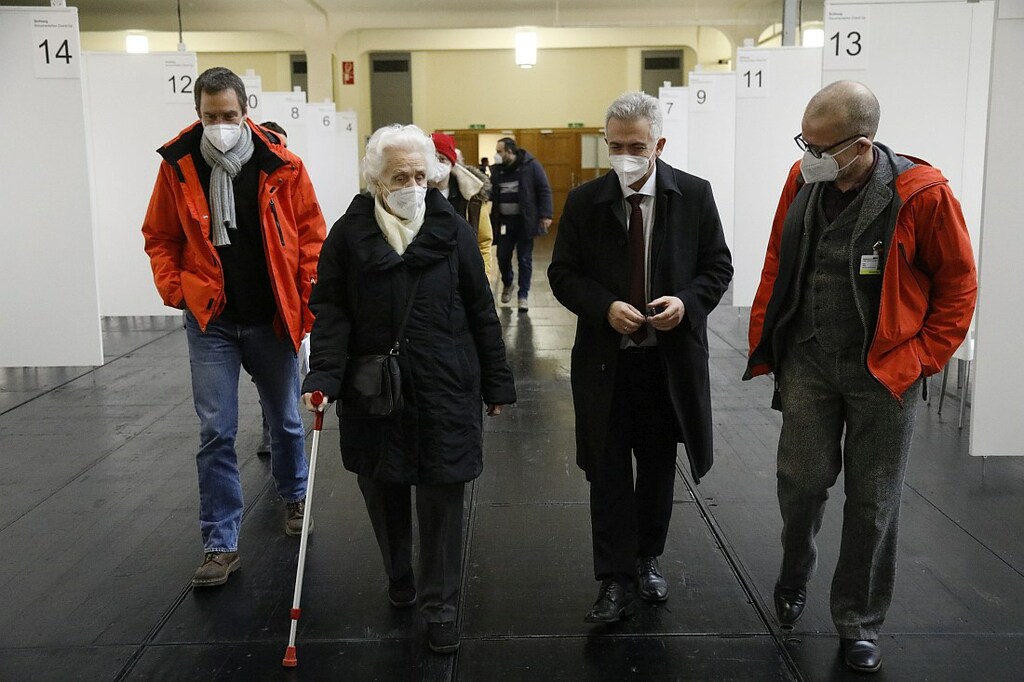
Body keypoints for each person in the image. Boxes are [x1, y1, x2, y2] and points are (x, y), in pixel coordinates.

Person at [744, 81, 977, 673]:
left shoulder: (922, 194)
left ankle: (859, 620)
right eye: (805, 143)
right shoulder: (803, 181)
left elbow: (958, 285)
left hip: (886, 371)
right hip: (809, 358)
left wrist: (922, 358)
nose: (809, 156)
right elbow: (778, 259)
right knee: (800, 480)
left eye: (821, 147)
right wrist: (767, 339)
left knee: (873, 500)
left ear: (861, 145)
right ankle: (795, 568)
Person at [300, 124, 516, 654]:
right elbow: (331, 312)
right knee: (382, 486)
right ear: (376, 180)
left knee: (443, 495)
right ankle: (400, 575)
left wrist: (496, 380)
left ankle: (440, 607)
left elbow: (480, 310)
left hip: (446, 384)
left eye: (421, 175)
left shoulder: (453, 231)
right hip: (374, 388)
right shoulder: (348, 236)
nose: (413, 186)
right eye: (401, 177)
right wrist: (323, 376)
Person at [548, 92, 733, 624]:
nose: (625, 156)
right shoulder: (586, 201)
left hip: (665, 364)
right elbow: (562, 274)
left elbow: (717, 266)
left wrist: (687, 303)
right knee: (606, 471)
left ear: (660, 144)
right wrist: (604, 307)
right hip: (605, 363)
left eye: (637, 147)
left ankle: (647, 557)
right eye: (616, 146)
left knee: (656, 469)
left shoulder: (693, 195)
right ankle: (613, 577)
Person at [142, 67, 326, 587]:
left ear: (246, 111)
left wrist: (306, 303)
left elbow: (311, 237)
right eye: (210, 116)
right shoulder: (178, 166)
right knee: (215, 432)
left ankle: (295, 497)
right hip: (212, 322)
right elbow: (160, 236)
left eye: (228, 115)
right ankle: (220, 544)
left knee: (285, 419)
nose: (219, 125)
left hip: (272, 317)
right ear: (197, 114)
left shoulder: (284, 165)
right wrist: (178, 290)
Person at [490, 137, 553, 311]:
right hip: (504, 222)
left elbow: (544, 189)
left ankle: (523, 295)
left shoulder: (530, 165)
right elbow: (491, 192)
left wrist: (546, 214)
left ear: (509, 151)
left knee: (524, 259)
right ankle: (508, 282)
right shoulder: (497, 170)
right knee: (502, 256)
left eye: (499, 151)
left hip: (525, 221)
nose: (496, 155)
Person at [429, 132, 494, 278]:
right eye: (432, 159)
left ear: (451, 163)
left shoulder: (472, 196)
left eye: (442, 159)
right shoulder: (416, 193)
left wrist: (484, 278)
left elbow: (483, 241)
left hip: (465, 275)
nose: (436, 164)